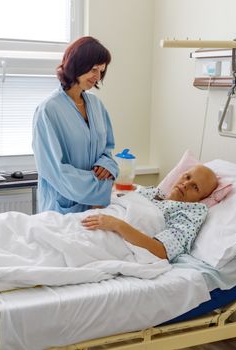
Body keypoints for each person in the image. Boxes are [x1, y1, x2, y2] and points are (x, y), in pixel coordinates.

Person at [32, 36, 119, 214]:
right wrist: (100, 186)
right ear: (76, 65)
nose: (98, 77)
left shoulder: (96, 105)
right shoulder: (48, 110)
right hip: (63, 207)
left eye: (101, 71)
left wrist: (107, 166)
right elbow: (55, 170)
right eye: (94, 69)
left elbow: (107, 149)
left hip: (96, 208)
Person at [82, 164, 218, 261]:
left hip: (110, 241)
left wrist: (118, 225)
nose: (186, 184)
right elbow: (108, 209)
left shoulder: (190, 214)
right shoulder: (151, 191)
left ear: (201, 199)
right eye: (187, 177)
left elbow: (162, 251)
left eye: (195, 187)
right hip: (89, 224)